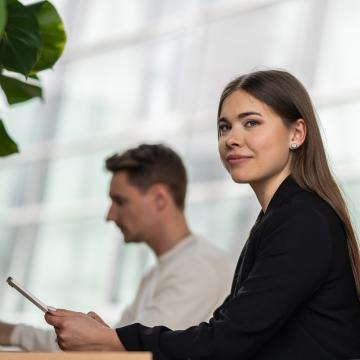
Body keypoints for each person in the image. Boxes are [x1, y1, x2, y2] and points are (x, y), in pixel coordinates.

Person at [44, 70, 360, 359]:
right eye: (225, 127)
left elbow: (224, 342)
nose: (232, 139)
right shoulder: (279, 217)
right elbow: (223, 330)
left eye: (251, 122)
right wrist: (110, 337)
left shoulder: (301, 221)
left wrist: (114, 340)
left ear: (297, 133)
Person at [0, 144, 233, 352]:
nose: (110, 215)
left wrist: (16, 334)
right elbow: (111, 343)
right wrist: (12, 333)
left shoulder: (198, 268)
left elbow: (132, 353)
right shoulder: (160, 272)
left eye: (120, 201)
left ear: (160, 198)